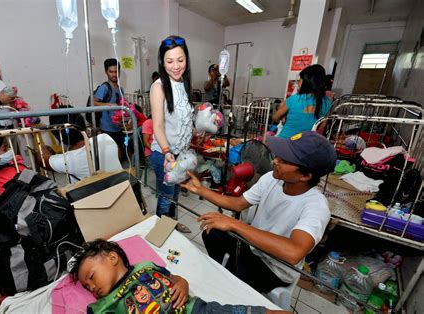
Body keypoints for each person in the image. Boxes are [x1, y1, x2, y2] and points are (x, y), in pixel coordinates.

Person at [181, 131, 337, 293]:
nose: (275, 160)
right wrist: (200, 190)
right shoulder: (271, 178)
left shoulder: (316, 206)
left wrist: (234, 224)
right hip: (253, 245)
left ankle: (228, 282)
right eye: (278, 156)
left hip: (274, 267)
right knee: (211, 231)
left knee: (231, 282)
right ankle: (225, 272)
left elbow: (294, 252)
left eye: (284, 160)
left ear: (305, 176)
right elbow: (238, 204)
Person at [69, 239, 287, 313]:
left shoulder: (144, 266)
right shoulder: (103, 305)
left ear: (112, 258)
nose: (91, 287)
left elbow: (172, 277)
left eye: (91, 276)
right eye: (87, 287)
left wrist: (182, 282)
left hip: (196, 310)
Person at [150, 35, 194, 233]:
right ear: (162, 62)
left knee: (175, 194)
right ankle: (161, 233)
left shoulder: (184, 83)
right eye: (169, 61)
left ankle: (173, 225)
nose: (176, 66)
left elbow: (182, 119)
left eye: (180, 60)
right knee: (166, 198)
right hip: (164, 155)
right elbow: (157, 126)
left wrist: (194, 130)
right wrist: (167, 151)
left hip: (181, 155)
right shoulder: (158, 87)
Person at [36, 108, 121, 183]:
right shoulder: (106, 138)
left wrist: (44, 147)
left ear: (57, 135)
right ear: (83, 125)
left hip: (92, 198)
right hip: (123, 190)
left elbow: (41, 160)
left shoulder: (67, 160)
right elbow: (119, 157)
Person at [273, 64, 332, 138]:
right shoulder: (327, 102)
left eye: (300, 80)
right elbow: (322, 125)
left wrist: (283, 119)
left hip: (286, 141)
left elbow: (275, 117)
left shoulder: (295, 99)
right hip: (306, 144)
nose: (298, 83)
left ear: (307, 82)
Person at [94, 58, 125, 159]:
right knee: (111, 155)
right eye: (111, 72)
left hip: (118, 127)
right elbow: (93, 103)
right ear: (106, 72)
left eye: (116, 71)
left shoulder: (120, 89)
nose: (114, 74)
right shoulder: (104, 88)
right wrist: (109, 105)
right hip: (107, 128)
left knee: (119, 154)